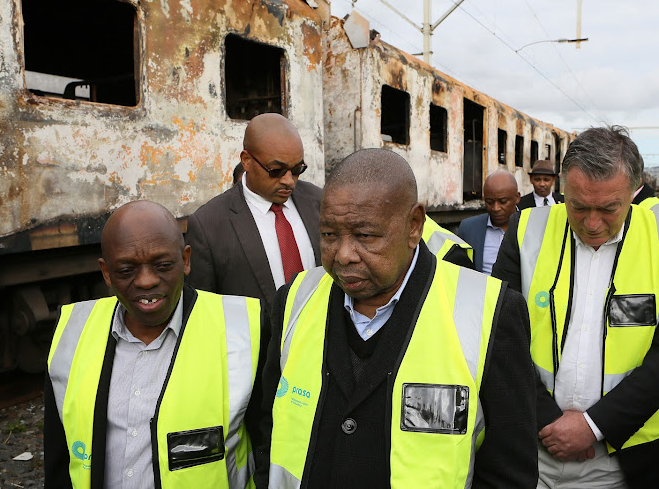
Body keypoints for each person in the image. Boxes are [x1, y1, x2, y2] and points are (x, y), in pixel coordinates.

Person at [255, 149, 537, 488]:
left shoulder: (491, 311)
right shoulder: (294, 300)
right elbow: (266, 430)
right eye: (329, 235)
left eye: (365, 236)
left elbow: (509, 474)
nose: (343, 255)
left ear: (413, 225)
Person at [45, 201, 265, 488]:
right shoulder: (71, 333)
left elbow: (269, 445)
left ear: (186, 260)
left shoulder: (244, 328)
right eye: (126, 270)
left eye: (162, 266)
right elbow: (59, 460)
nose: (147, 281)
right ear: (106, 273)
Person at [492, 126, 659, 488]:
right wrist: (549, 421)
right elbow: (498, 334)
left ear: (634, 191)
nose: (593, 223)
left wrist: (594, 427)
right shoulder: (526, 228)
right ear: (562, 188)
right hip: (530, 447)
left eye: (609, 208)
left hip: (625, 460)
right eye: (578, 206)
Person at [185, 113, 322, 310]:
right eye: (276, 170)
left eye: (297, 170)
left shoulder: (318, 202)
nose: (288, 181)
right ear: (246, 160)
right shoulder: (209, 225)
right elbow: (202, 310)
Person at [458, 170, 520, 274]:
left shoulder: (531, 228)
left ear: (517, 198)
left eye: (503, 202)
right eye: (489, 202)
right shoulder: (468, 229)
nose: (495, 208)